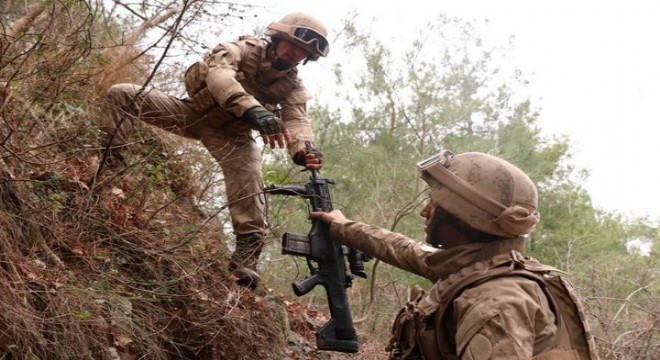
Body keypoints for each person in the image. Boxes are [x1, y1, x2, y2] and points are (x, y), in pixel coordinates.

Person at [99, 12, 328, 289]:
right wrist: (253, 109)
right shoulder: (239, 50)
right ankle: (108, 170)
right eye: (293, 45)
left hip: (232, 136)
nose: (295, 53)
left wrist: (303, 149)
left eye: (302, 52)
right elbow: (220, 78)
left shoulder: (292, 85)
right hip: (190, 113)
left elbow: (297, 119)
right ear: (278, 38)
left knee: (250, 179)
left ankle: (245, 260)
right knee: (122, 94)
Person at [310, 150, 598, 359]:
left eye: (434, 204)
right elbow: (407, 250)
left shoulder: (495, 300)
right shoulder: (481, 265)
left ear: (462, 218)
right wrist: (342, 226)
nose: (425, 211)